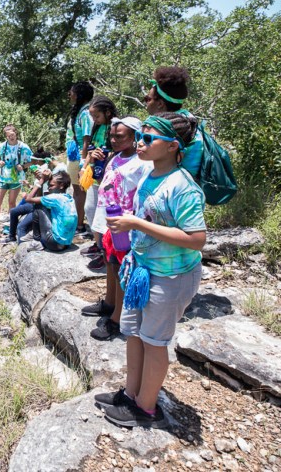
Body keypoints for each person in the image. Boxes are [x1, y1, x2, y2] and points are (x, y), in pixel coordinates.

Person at [95, 112, 205, 429]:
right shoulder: (150, 175)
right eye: (140, 137)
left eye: (148, 138)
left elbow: (197, 239)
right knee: (133, 333)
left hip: (170, 277)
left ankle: (146, 408)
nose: (141, 143)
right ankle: (131, 394)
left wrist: (136, 224)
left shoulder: (183, 186)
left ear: (172, 146)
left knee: (154, 341)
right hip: (143, 271)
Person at [80, 116, 150, 341]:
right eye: (112, 135)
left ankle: (117, 320)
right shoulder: (115, 157)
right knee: (110, 262)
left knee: (122, 269)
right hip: (110, 221)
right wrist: (93, 162)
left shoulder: (142, 162)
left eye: (119, 136)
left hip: (127, 224)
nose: (113, 139)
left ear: (134, 137)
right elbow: (99, 185)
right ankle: (109, 303)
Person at [80, 95, 119, 271]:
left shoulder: (116, 127)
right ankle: (99, 245)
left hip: (109, 177)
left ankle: (106, 251)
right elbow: (91, 149)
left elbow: (121, 151)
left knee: (103, 214)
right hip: (95, 175)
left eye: (96, 116)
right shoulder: (97, 128)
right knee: (90, 209)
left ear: (108, 112)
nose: (94, 120)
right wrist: (85, 166)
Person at [143, 66, 203, 177]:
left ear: (160, 104)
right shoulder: (188, 118)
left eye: (148, 99)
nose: (146, 102)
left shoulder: (170, 126)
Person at [0, 124, 33, 235]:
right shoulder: (2, 146)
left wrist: (23, 166)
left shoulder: (24, 147)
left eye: (12, 135)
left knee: (11, 203)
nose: (11, 137)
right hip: (2, 178)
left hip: (16, 180)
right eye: (8, 136)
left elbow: (32, 161)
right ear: (6, 137)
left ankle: (9, 226)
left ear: (16, 133)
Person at [64, 82, 94, 234]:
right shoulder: (79, 111)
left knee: (80, 190)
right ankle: (79, 222)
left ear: (79, 94)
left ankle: (80, 225)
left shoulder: (86, 113)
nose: (70, 94)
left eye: (72, 91)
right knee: (76, 190)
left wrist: (83, 160)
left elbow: (87, 138)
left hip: (79, 156)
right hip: (73, 153)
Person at [23, 170, 77, 252]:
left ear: (61, 186)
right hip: (66, 244)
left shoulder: (55, 198)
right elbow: (41, 198)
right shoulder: (68, 198)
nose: (48, 188)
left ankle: (36, 242)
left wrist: (42, 180)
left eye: (51, 185)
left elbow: (29, 199)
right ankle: (38, 235)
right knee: (43, 205)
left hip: (54, 244)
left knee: (38, 207)